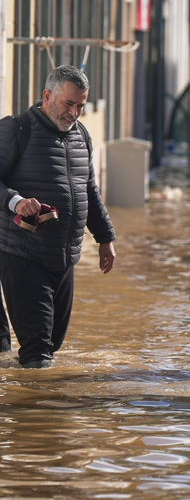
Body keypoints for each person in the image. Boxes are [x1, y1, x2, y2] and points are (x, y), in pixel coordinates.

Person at [0, 65, 117, 369]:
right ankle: (33, 413)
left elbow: (89, 191)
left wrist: (105, 238)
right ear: (47, 96)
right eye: (69, 104)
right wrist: (15, 202)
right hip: (22, 255)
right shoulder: (15, 129)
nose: (75, 112)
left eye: (81, 105)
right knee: (37, 352)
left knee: (52, 345)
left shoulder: (81, 136)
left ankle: (25, 395)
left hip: (65, 259)